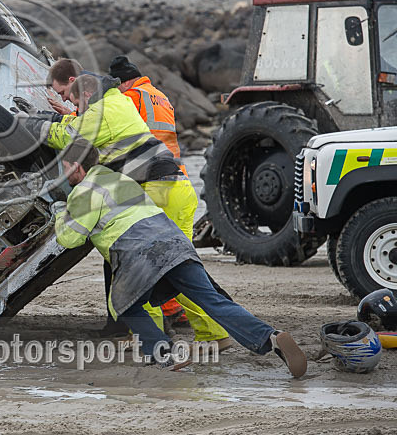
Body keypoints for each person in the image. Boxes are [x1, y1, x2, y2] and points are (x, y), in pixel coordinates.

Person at [51, 140, 308, 377]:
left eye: (63, 167)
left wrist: (60, 210)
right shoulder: (119, 179)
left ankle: (166, 354)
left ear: (76, 166)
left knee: (123, 303)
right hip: (173, 241)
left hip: (140, 250)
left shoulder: (84, 191)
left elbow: (70, 238)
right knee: (212, 301)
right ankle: (271, 337)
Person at [24, 74, 230, 347]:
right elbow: (82, 124)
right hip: (177, 185)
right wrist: (59, 116)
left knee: (153, 268)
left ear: (87, 92)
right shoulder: (130, 99)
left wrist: (32, 124)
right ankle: (211, 333)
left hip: (157, 190)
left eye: (71, 97)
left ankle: (152, 339)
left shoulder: (111, 106)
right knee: (179, 267)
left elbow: (71, 135)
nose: (69, 102)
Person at [109, 55, 225, 336]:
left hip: (154, 185)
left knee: (147, 262)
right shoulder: (160, 96)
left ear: (122, 83)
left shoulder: (130, 98)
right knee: (180, 260)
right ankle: (177, 312)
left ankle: (155, 333)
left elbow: (111, 130)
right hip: (179, 181)